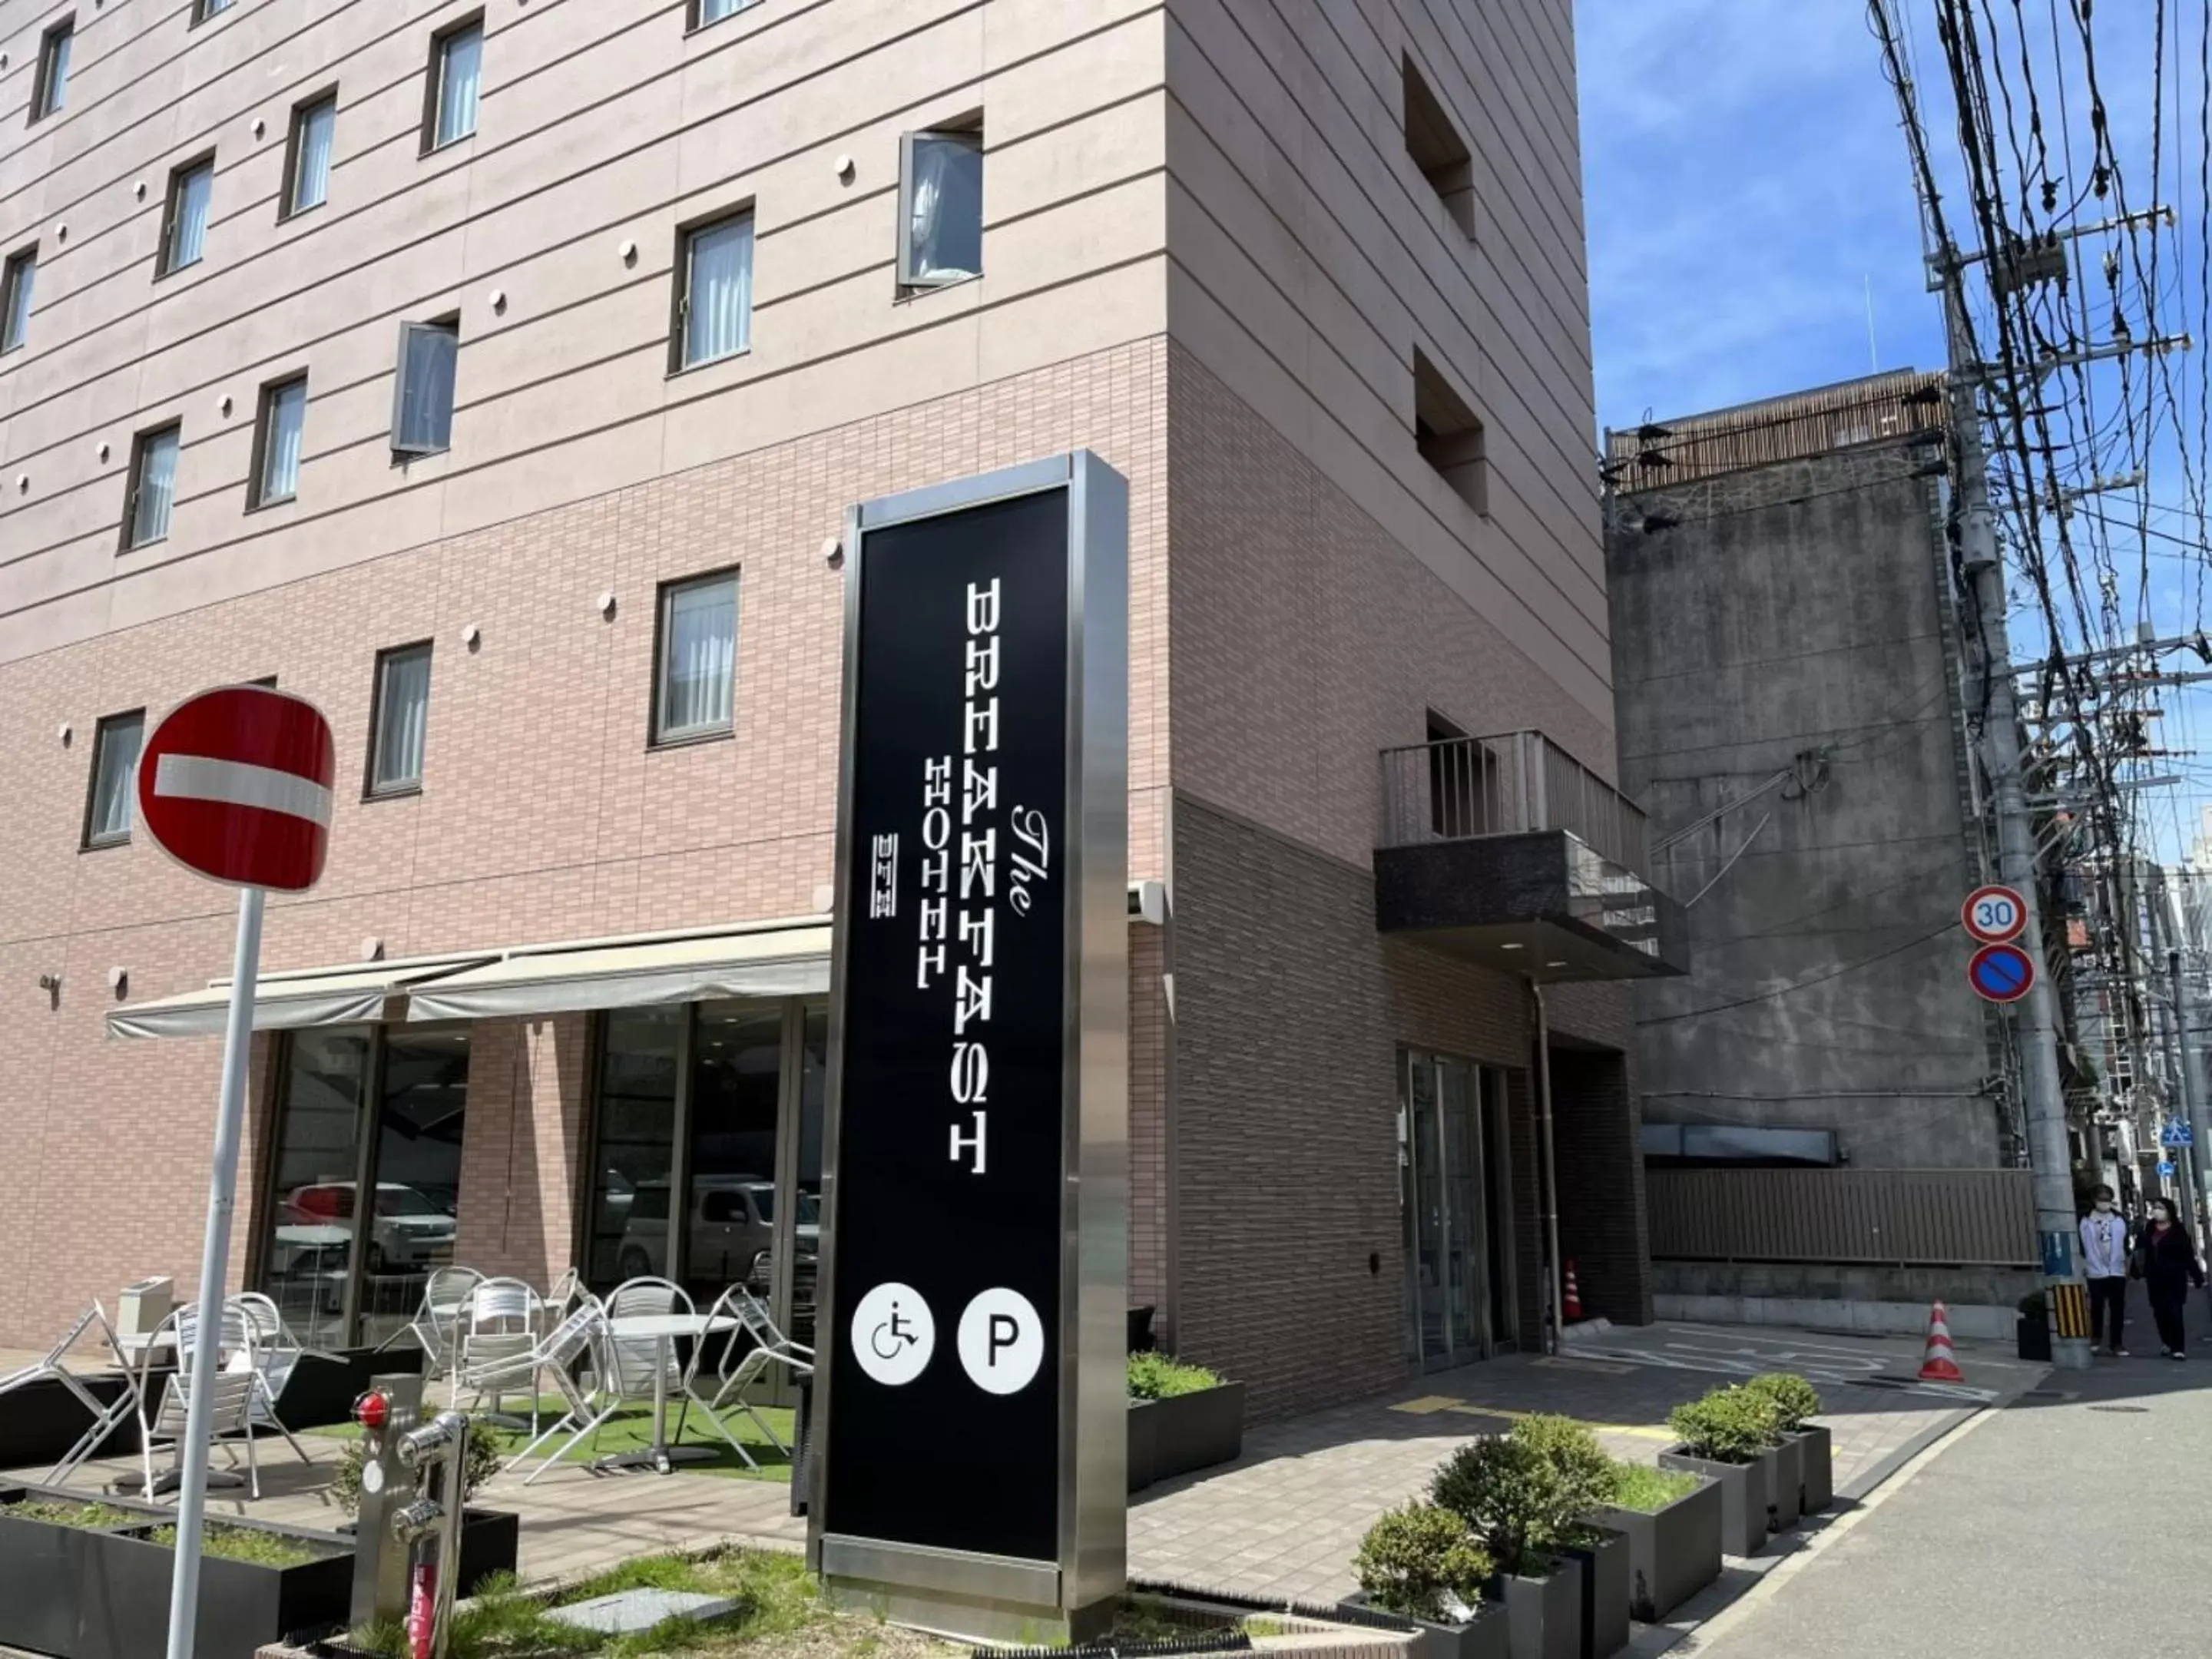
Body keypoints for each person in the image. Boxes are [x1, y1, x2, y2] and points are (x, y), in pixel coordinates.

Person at [2132, 1198, 2206, 1359]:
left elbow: (2188, 1256)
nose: (2157, 1211)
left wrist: (2197, 1276)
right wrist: (2136, 1271)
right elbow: (2139, 1252)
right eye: (2155, 1208)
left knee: (2175, 1311)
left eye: (2161, 1208)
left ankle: (2178, 1347)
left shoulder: (2178, 1232)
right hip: (2155, 1278)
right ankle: (2167, 1341)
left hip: (2175, 1278)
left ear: (2169, 1211)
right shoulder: (2148, 1230)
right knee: (2160, 1313)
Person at [2080, 1186, 2131, 1356]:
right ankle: (2096, 1337)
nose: (2105, 1203)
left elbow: (2125, 1243)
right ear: (2094, 1201)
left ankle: (2116, 1343)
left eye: (2107, 1199)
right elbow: (2081, 1245)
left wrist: (2126, 1265)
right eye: (2101, 1199)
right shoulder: (2085, 1220)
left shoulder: (2119, 1219)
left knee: (2118, 1308)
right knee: (2097, 1306)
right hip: (2095, 1270)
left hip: (2116, 1270)